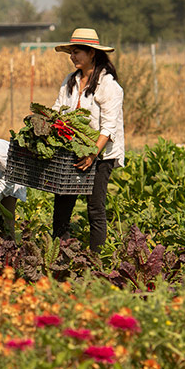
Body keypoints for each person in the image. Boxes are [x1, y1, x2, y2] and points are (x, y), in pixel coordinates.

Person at [50, 28, 125, 252]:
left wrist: (92, 154)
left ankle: (96, 258)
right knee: (62, 202)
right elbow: (58, 110)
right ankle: (59, 254)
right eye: (71, 52)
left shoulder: (108, 85)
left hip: (101, 154)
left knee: (95, 207)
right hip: (72, 152)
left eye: (77, 52)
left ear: (92, 53)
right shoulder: (70, 81)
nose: (73, 57)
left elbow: (109, 127)